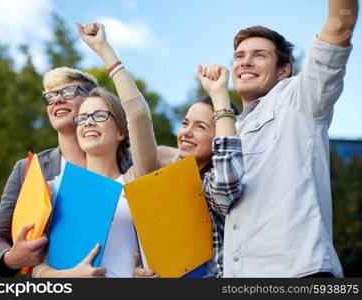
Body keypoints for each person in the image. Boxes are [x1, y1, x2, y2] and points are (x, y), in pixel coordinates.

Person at [222, 0, 358, 277]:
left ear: (283, 70)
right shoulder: (227, 129)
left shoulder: (299, 99)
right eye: (239, 55)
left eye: (259, 55)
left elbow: (340, 24)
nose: (245, 61)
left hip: (300, 273)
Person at [32, 22, 160, 278]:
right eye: (83, 118)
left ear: (121, 131)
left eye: (100, 115)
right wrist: (70, 277)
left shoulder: (137, 180)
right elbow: (36, 268)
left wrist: (103, 49)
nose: (88, 121)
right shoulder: (53, 188)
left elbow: (137, 113)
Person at [0, 67, 98, 277]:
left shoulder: (125, 163)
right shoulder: (28, 169)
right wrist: (10, 258)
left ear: (95, 103)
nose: (57, 100)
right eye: (51, 96)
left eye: (69, 91)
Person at [134, 64, 244, 278]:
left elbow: (224, 187)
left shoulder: (214, 182)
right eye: (185, 123)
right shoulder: (164, 183)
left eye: (200, 127)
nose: (186, 133)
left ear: (219, 137)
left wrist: (219, 95)